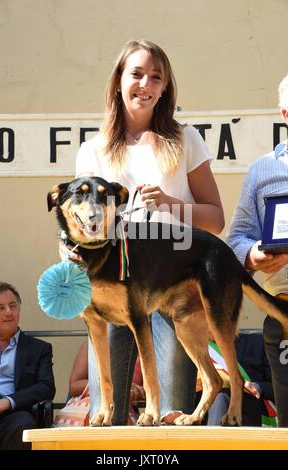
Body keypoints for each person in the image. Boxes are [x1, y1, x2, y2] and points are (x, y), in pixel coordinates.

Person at [61, 39, 224, 424]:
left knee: (171, 414)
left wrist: (170, 203)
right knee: (108, 413)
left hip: (169, 287)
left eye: (156, 77)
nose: (145, 84)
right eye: (136, 74)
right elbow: (78, 218)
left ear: (165, 87)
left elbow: (215, 219)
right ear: (118, 80)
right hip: (109, 281)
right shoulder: (93, 149)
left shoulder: (186, 139)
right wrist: (68, 250)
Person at [227, 73, 288, 427]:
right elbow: (235, 241)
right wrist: (252, 257)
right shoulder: (262, 171)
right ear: (285, 113)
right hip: (283, 316)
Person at [0, 282, 56, 449]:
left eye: (13, 306)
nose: (9, 312)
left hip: (9, 416)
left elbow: (46, 387)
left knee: (24, 425)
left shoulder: (39, 349)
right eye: (0, 308)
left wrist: (7, 402)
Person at [68, 340, 145, 425]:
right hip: (87, 404)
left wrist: (133, 391)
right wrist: (108, 387)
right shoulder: (91, 345)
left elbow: (150, 391)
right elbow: (74, 386)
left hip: (122, 408)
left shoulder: (142, 350)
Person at [206, 331, 274, 426]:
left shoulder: (256, 343)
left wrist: (257, 387)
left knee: (222, 396)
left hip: (250, 406)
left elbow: (279, 388)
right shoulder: (194, 349)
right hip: (207, 411)